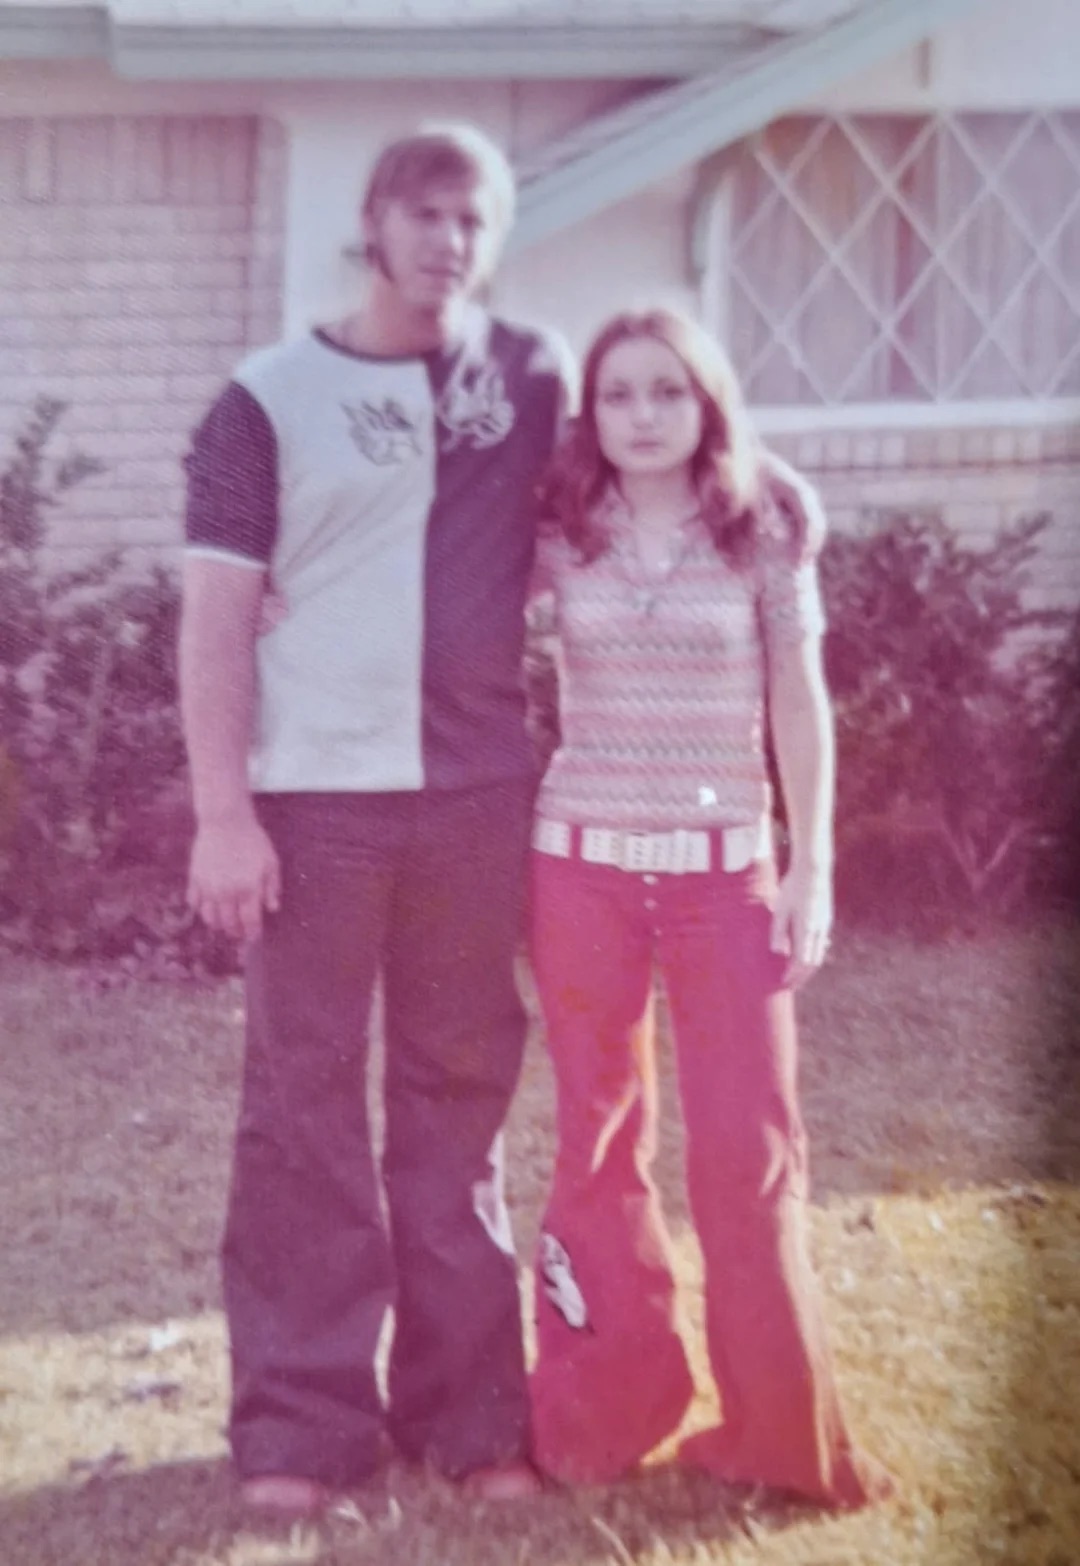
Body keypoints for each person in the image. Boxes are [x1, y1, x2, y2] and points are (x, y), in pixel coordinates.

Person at [179, 122, 572, 1518]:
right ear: (373, 221)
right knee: (301, 1107)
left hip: (473, 799)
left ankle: (470, 1419)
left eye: (476, 218)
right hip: (314, 797)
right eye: (426, 214)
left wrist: (760, 505)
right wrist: (223, 813)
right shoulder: (264, 399)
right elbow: (218, 612)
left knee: (458, 1102)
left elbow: (619, 507)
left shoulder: (533, 380)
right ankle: (300, 1422)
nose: (450, 241)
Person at [525, 306, 896, 1510]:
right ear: (593, 413)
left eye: (667, 393)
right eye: (618, 395)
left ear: (707, 404)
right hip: (577, 868)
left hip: (723, 876)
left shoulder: (763, 518)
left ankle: (781, 1435)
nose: (642, 416)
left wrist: (812, 861)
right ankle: (605, 1412)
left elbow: (800, 696)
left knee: (749, 1150)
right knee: (595, 1135)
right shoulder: (557, 526)